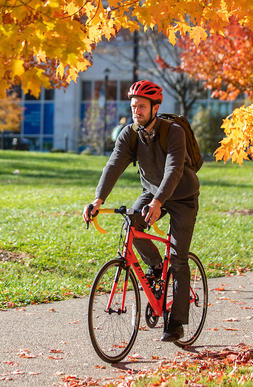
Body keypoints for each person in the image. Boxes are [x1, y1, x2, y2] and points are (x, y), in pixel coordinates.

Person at [82, 79, 200, 342]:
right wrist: (98, 199)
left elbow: (174, 170)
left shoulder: (174, 132)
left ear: (155, 108)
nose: (137, 110)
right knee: (131, 225)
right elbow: (113, 165)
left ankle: (177, 322)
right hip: (152, 191)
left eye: (142, 106)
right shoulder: (130, 133)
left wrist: (159, 203)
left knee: (178, 257)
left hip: (182, 196)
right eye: (134, 105)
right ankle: (156, 267)